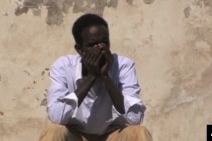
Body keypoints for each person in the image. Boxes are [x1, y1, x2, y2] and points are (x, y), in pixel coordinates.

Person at [40, 13, 152, 141]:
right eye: (93, 44)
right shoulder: (64, 67)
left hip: (112, 135)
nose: (100, 49)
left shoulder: (123, 66)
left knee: (138, 132)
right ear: (80, 50)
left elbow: (135, 118)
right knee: (54, 131)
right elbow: (56, 116)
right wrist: (92, 76)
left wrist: (105, 77)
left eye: (105, 42)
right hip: (77, 136)